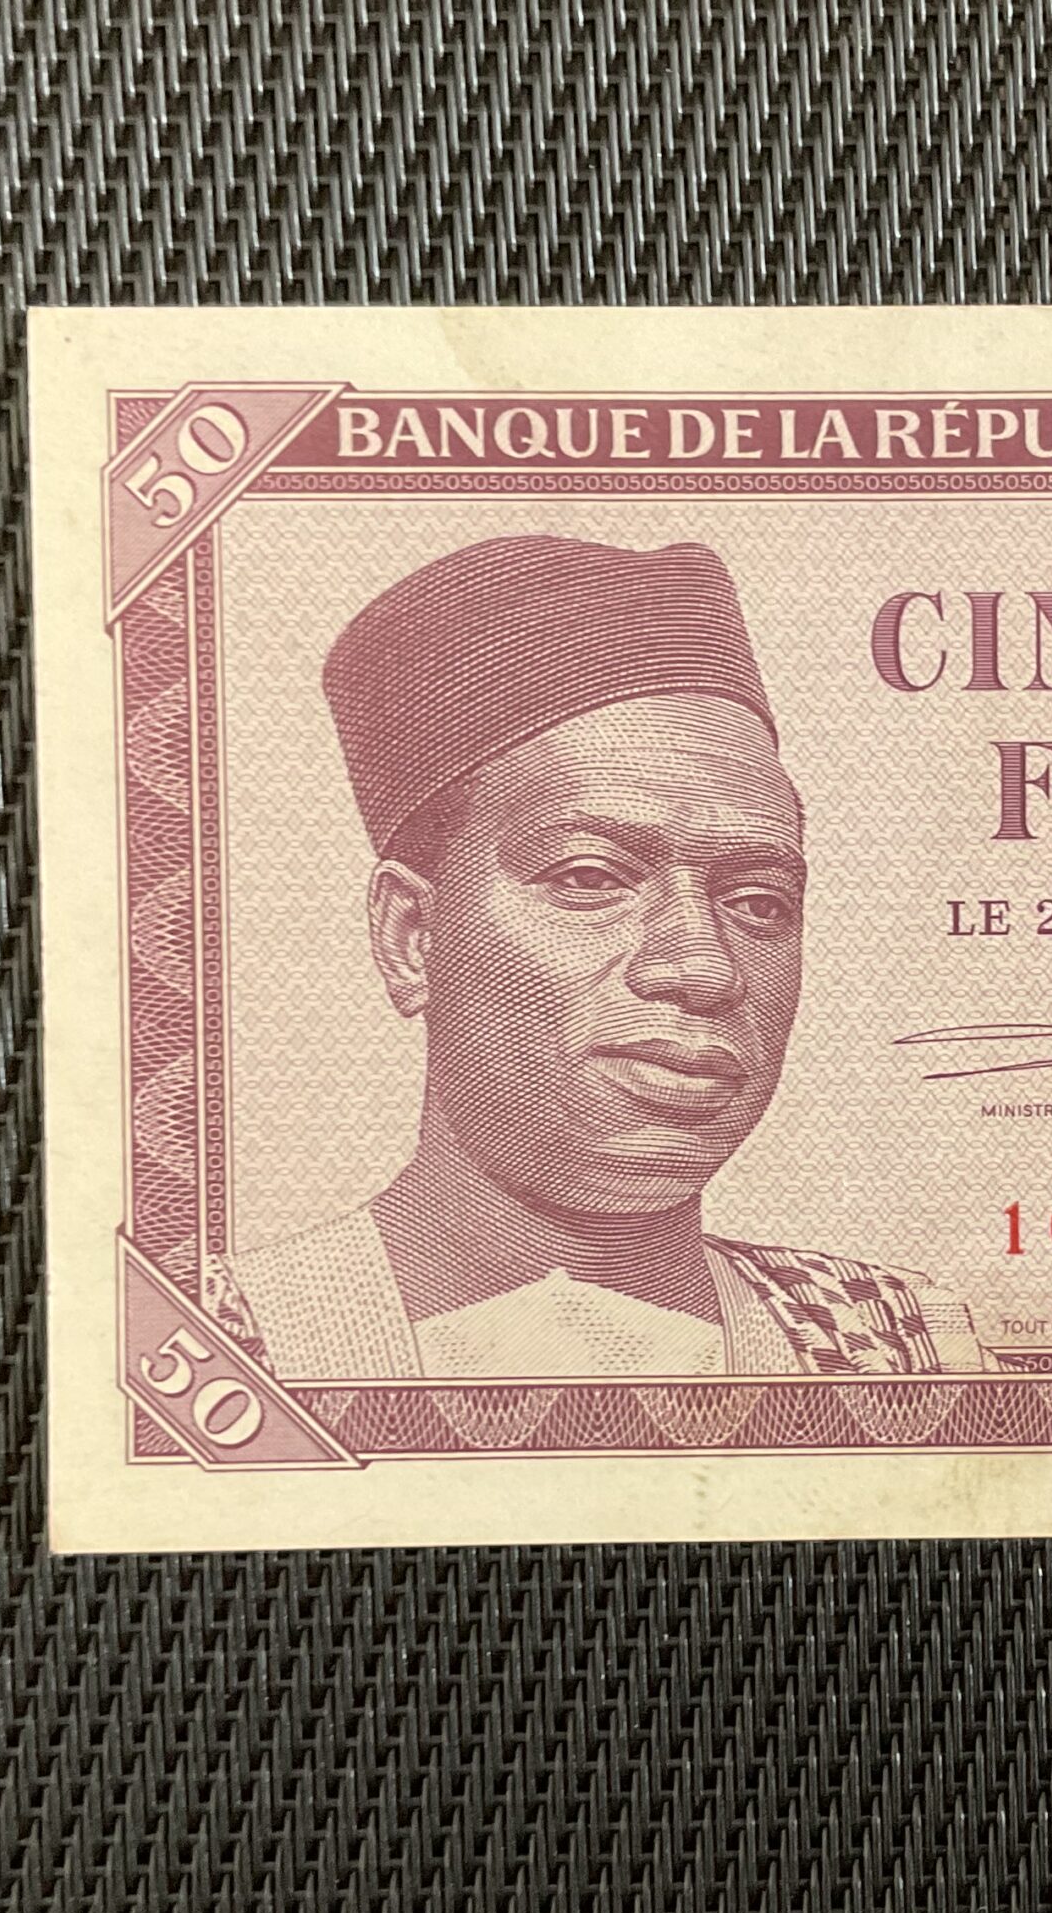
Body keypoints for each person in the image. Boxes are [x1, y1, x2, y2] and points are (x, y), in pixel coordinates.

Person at [224, 533, 985, 1380]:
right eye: (590, 878)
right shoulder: (213, 1346)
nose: (703, 968)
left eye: (758, 901)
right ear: (412, 938)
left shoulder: (903, 1342)